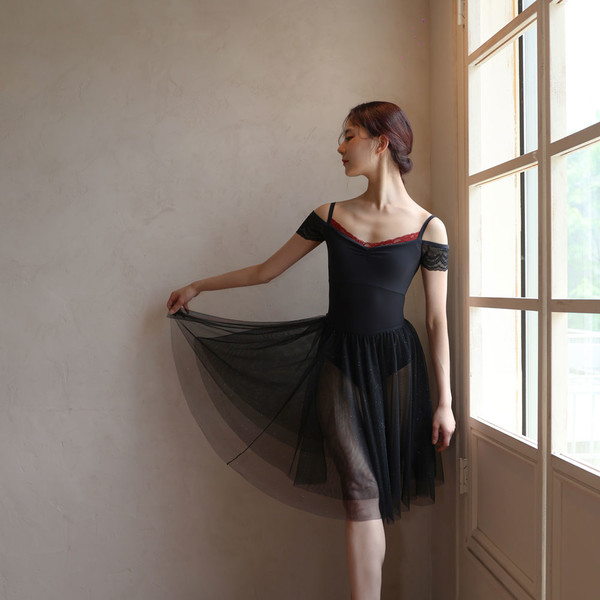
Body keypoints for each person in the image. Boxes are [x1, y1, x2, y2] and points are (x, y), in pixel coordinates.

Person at [166, 101, 456, 600]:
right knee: (360, 490)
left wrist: (445, 402)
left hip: (396, 367)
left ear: (381, 142)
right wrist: (198, 286)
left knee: (378, 491)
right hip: (337, 362)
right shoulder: (330, 216)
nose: (340, 147)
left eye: (349, 136)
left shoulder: (430, 228)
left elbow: (436, 319)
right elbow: (265, 271)